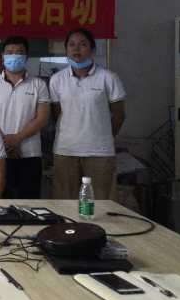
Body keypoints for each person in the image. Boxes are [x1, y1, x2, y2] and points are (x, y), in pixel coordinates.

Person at [50, 28, 126, 200]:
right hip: (66, 150)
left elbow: (119, 115)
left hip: (99, 152)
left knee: (100, 203)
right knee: (65, 202)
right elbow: (57, 114)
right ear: (66, 50)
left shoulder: (108, 78)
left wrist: (103, 136)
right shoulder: (57, 80)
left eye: (83, 44)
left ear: (93, 49)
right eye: (72, 45)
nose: (76, 49)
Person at [0, 36, 50, 199]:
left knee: (29, 202)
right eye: (10, 52)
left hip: (30, 153)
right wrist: (5, 142)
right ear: (3, 56)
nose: (14, 56)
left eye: (19, 52)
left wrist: (17, 139)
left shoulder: (38, 84)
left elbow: (42, 117)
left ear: (26, 56)